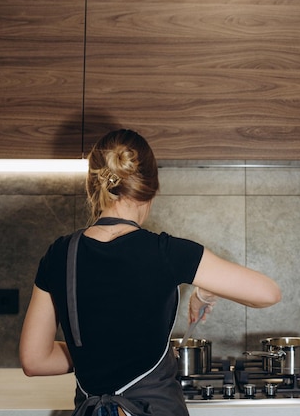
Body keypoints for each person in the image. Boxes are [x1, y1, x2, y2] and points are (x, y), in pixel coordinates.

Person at [19, 128, 281, 416]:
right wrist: (206, 289)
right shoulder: (166, 252)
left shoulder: (59, 254)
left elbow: (35, 360)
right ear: (152, 188)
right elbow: (267, 293)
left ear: (93, 185)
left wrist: (95, 353)